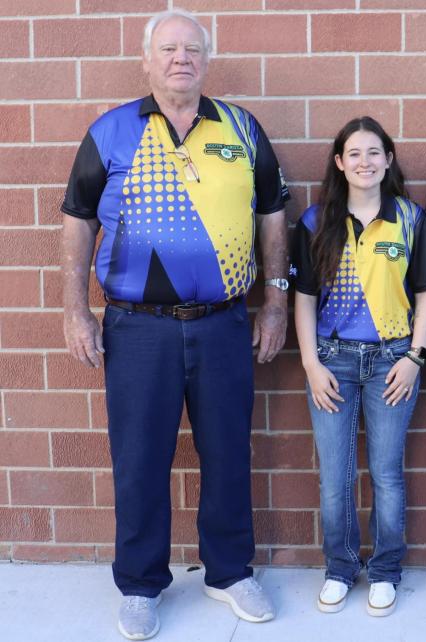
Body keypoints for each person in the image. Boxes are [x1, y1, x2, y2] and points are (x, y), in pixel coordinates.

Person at [60, 9, 290, 639]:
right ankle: (139, 584)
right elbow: (78, 219)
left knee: (228, 451)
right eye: (168, 49)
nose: (180, 58)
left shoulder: (242, 129)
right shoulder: (111, 132)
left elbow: (272, 214)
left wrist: (275, 302)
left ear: (207, 60)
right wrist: (75, 309)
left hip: (223, 324)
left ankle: (229, 572)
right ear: (147, 60)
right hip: (138, 329)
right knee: (139, 458)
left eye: (192, 49)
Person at [291, 117, 426, 617]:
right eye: (354, 153)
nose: (365, 162)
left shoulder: (411, 219)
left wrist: (415, 358)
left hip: (392, 361)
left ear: (388, 159)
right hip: (332, 361)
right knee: (335, 476)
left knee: (386, 472)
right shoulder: (315, 222)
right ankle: (339, 568)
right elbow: (304, 299)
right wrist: (311, 363)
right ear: (339, 162)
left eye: (374, 152)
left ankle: (384, 570)